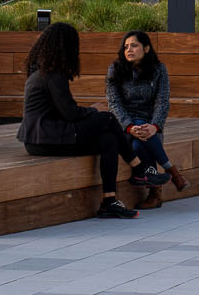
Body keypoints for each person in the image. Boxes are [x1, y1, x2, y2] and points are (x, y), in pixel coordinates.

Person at [17, 21, 141, 219]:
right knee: (107, 118)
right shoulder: (53, 74)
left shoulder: (42, 71)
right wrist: (93, 110)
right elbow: (71, 114)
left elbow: (63, 112)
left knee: (108, 139)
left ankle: (109, 201)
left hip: (44, 138)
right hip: (47, 138)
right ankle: (139, 167)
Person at [105, 30, 185, 208]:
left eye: (134, 45)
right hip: (124, 124)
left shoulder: (159, 70)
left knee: (137, 144)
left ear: (146, 48)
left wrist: (155, 126)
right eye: (126, 47)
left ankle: (156, 193)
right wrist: (129, 126)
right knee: (139, 135)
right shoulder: (115, 70)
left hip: (150, 124)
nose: (129, 50)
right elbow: (114, 104)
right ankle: (171, 174)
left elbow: (162, 102)